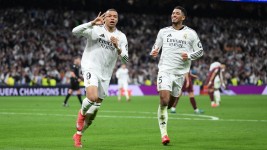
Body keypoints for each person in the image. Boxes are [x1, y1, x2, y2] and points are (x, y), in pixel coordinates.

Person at [71, 9, 128, 148]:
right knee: (92, 96)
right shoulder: (95, 29)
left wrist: (117, 47)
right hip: (91, 67)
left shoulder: (121, 37)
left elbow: (125, 59)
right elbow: (75, 31)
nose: (112, 18)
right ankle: (81, 114)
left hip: (106, 75)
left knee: (92, 117)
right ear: (105, 18)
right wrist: (91, 23)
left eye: (115, 16)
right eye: (109, 16)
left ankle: (78, 134)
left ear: (117, 19)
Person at [150, 6, 203, 145]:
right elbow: (156, 47)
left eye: (177, 13)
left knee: (170, 103)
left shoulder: (191, 34)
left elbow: (200, 51)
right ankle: (164, 134)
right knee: (164, 100)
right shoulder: (163, 32)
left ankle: (163, 112)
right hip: (165, 70)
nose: (174, 15)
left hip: (180, 74)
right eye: (173, 13)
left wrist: (189, 55)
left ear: (183, 17)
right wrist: (154, 52)